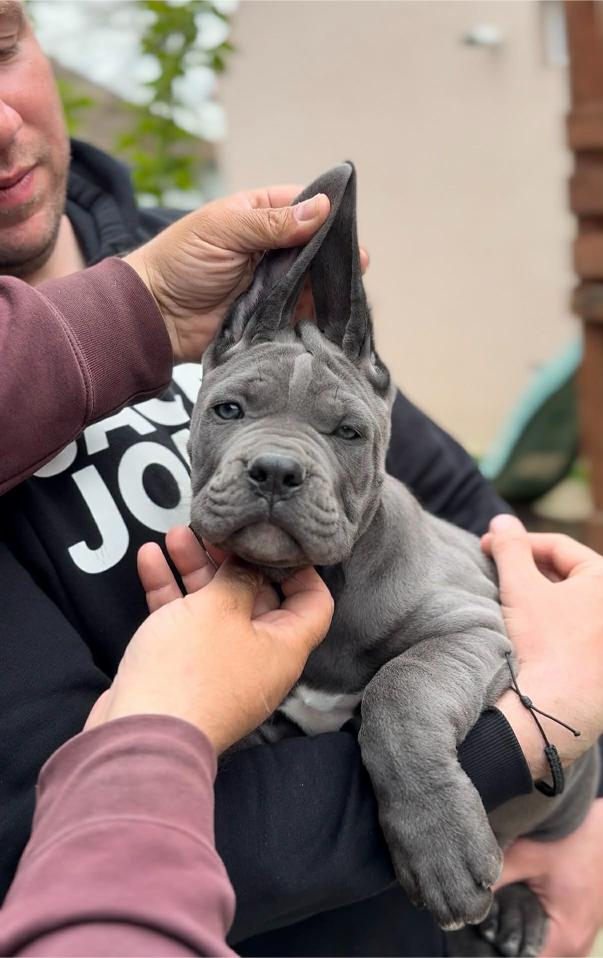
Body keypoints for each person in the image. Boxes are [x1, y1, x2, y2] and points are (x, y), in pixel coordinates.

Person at [1, 1, 602, 953]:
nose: (278, 457)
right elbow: (42, 843)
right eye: (231, 410)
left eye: (1, 46)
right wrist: (524, 742)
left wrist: (581, 817)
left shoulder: (232, 285)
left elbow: (490, 545)